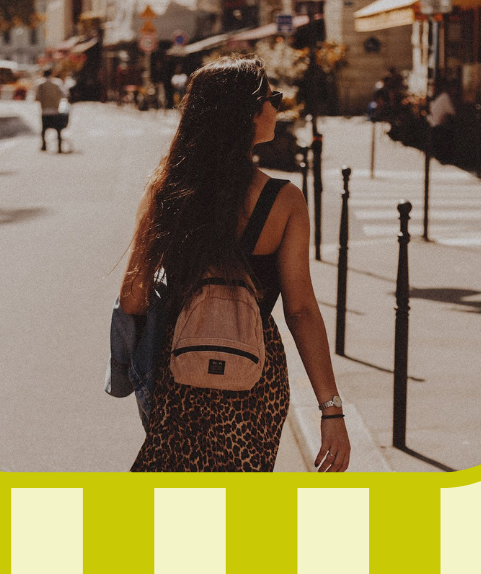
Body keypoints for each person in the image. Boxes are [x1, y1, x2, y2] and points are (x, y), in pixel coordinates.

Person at [120, 55, 351, 472]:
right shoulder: (284, 201)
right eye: (272, 97)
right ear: (247, 113)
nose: (277, 107)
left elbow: (132, 298)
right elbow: (299, 310)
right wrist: (330, 409)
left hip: (180, 368)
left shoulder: (166, 191)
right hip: (255, 374)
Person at [32, 68, 67, 152]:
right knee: (58, 130)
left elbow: (36, 96)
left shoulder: (40, 83)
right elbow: (65, 94)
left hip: (45, 111)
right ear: (52, 74)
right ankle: (59, 147)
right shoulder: (57, 83)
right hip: (55, 110)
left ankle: (44, 145)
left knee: (44, 129)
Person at [428, 81, 458, 164]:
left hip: (434, 124)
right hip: (438, 126)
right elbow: (453, 112)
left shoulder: (439, 97)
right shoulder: (445, 97)